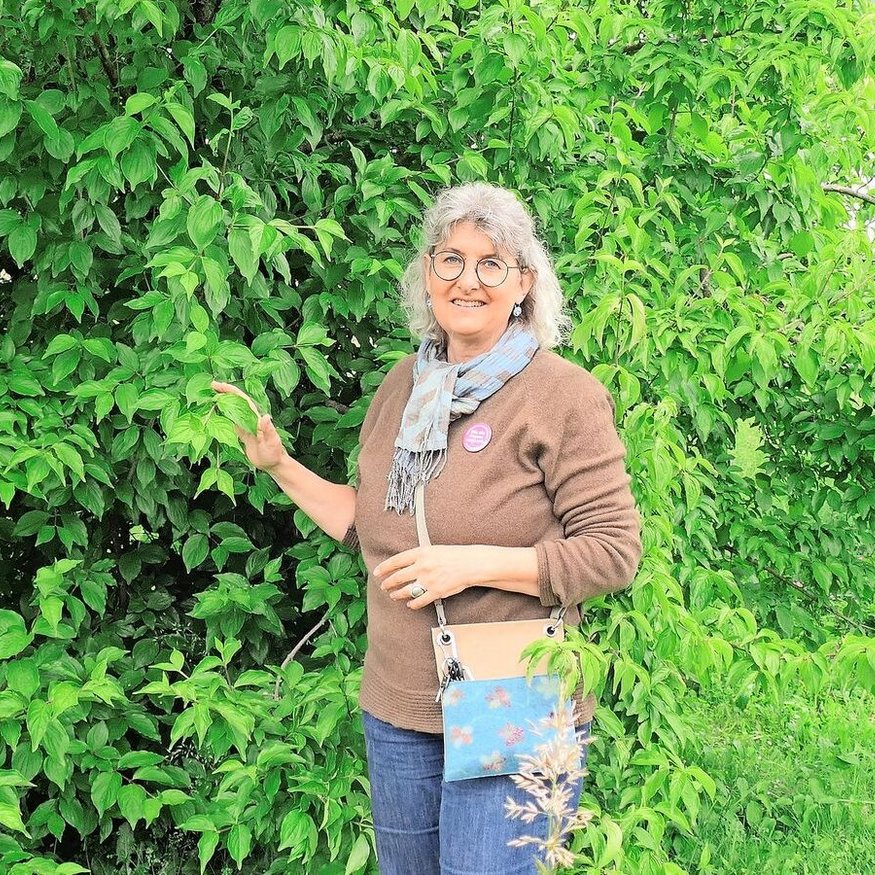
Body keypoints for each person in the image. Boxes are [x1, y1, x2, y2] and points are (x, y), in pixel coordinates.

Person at [212, 182, 641, 874]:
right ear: (427, 272)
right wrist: (279, 464)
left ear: (523, 284)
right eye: (450, 259)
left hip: (511, 695)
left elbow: (614, 551)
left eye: (490, 263)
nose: (467, 280)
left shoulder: (563, 396)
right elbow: (368, 525)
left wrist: (468, 563)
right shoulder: (401, 386)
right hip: (400, 705)